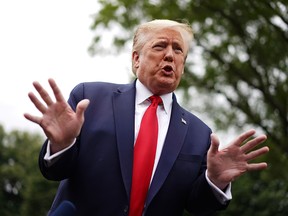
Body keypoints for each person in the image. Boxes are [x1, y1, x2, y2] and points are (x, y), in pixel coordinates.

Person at [24, 19, 269, 216]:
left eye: (178, 50)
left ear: (182, 65)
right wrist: (62, 144)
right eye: (160, 46)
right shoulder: (90, 99)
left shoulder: (200, 133)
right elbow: (54, 172)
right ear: (136, 59)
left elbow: (197, 205)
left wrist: (214, 181)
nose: (170, 56)